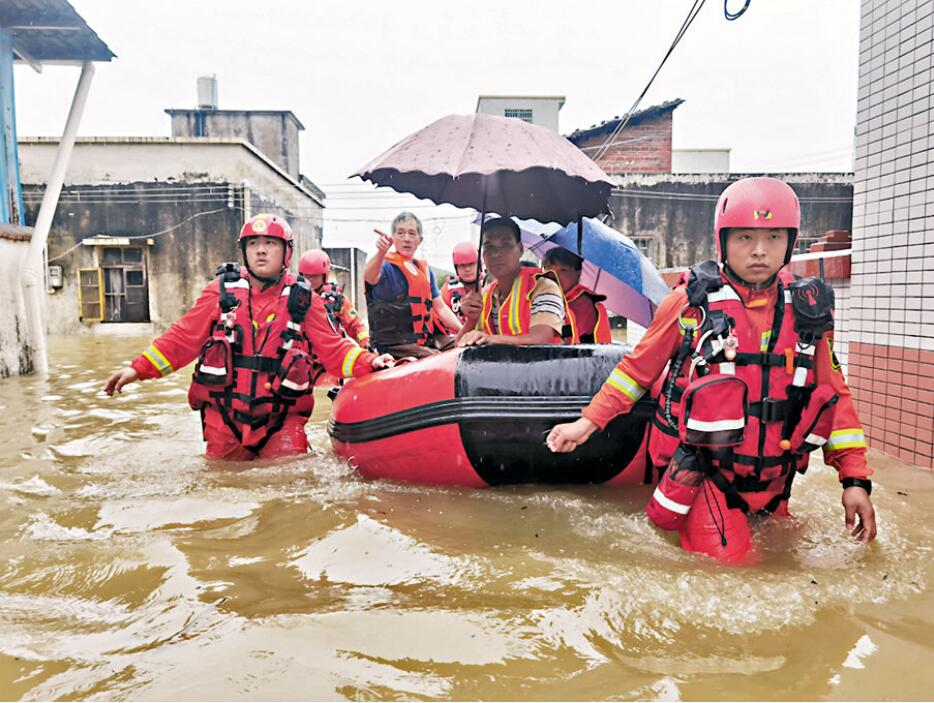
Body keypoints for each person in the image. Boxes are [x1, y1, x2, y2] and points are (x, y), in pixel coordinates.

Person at [546, 177, 876, 563]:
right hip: (707, 474)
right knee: (735, 572)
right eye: (744, 238)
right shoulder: (689, 305)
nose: (759, 251)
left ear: (790, 242)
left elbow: (833, 398)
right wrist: (585, 424)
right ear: (723, 241)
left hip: (775, 479)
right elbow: (636, 373)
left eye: (773, 237)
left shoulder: (809, 312)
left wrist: (854, 480)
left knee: (785, 566)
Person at [104, 213, 394, 461]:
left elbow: (336, 349)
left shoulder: (303, 299)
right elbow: (182, 338)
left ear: (286, 252)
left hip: (281, 420)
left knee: (291, 484)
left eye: (270, 243)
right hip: (225, 419)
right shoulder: (220, 292)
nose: (261, 251)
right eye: (253, 244)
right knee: (223, 489)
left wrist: (372, 362)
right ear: (244, 251)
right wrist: (137, 369)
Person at [364, 212, 463, 359]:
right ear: (393, 237)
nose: (406, 239)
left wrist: (464, 330)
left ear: (420, 240)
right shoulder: (385, 266)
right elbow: (369, 277)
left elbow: (440, 308)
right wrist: (380, 252)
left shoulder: (424, 270)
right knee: (437, 359)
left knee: (463, 345)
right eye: (401, 233)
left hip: (425, 341)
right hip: (394, 345)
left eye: (412, 234)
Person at [456, 217, 566, 347]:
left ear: (520, 249)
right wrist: (471, 319)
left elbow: (540, 339)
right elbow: (460, 345)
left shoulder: (543, 287)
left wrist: (490, 339)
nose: (496, 254)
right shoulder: (485, 296)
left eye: (505, 244)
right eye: (489, 246)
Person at [298, 249, 371, 349]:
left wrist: (366, 344)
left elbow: (355, 325)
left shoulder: (337, 300)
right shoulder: (293, 297)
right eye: (306, 276)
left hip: (330, 353)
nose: (310, 281)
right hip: (302, 355)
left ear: (325, 276)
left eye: (314, 276)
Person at [542, 247, 613, 344]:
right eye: (548, 269)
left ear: (578, 273)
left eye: (563, 270)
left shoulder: (583, 303)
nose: (555, 275)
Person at [440, 242, 481, 324]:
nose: (467, 269)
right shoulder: (448, 288)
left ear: (479, 265)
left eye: (471, 264)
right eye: (462, 265)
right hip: (456, 334)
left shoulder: (489, 284)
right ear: (456, 268)